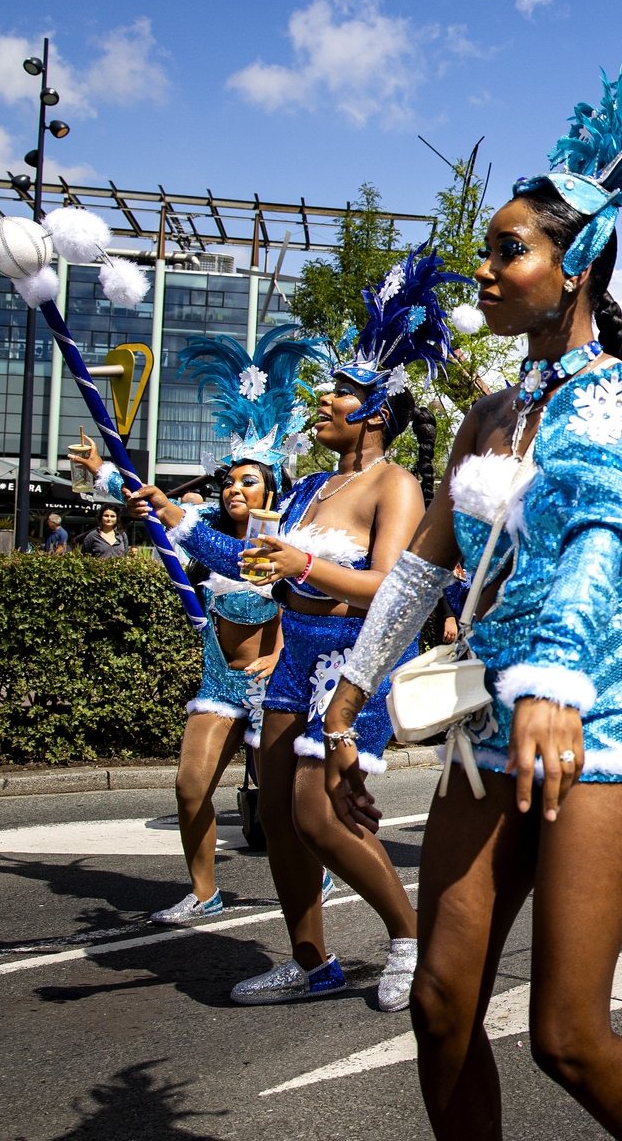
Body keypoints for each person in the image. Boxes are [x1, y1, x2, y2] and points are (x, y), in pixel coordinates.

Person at [315, 0, 622, 1140]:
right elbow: (422, 570)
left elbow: (598, 542)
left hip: (604, 708)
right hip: (495, 714)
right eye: (486, 249)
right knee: (441, 1001)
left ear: (574, 262)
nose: (482, 269)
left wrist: (553, 685)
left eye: (508, 249)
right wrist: (344, 707)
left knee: (567, 1036)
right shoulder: (492, 407)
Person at [133, 245, 451, 1011]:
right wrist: (178, 521)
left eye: (338, 393)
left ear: (374, 412)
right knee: (277, 817)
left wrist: (302, 569)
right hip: (293, 658)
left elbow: (389, 586)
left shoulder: (394, 484)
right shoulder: (310, 485)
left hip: (354, 662)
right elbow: (255, 563)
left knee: (319, 812)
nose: (320, 400)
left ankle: (410, 939)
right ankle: (312, 964)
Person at [94, 326, 324, 924]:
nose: (235, 488)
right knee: (190, 785)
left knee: (289, 805)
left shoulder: (290, 537)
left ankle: (314, 877)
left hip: (277, 676)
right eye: (229, 480)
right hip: (220, 677)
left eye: (249, 480)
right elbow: (148, 501)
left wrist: (280, 657)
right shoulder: (205, 528)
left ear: (272, 486)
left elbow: (306, 604)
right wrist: (105, 470)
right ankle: (203, 891)